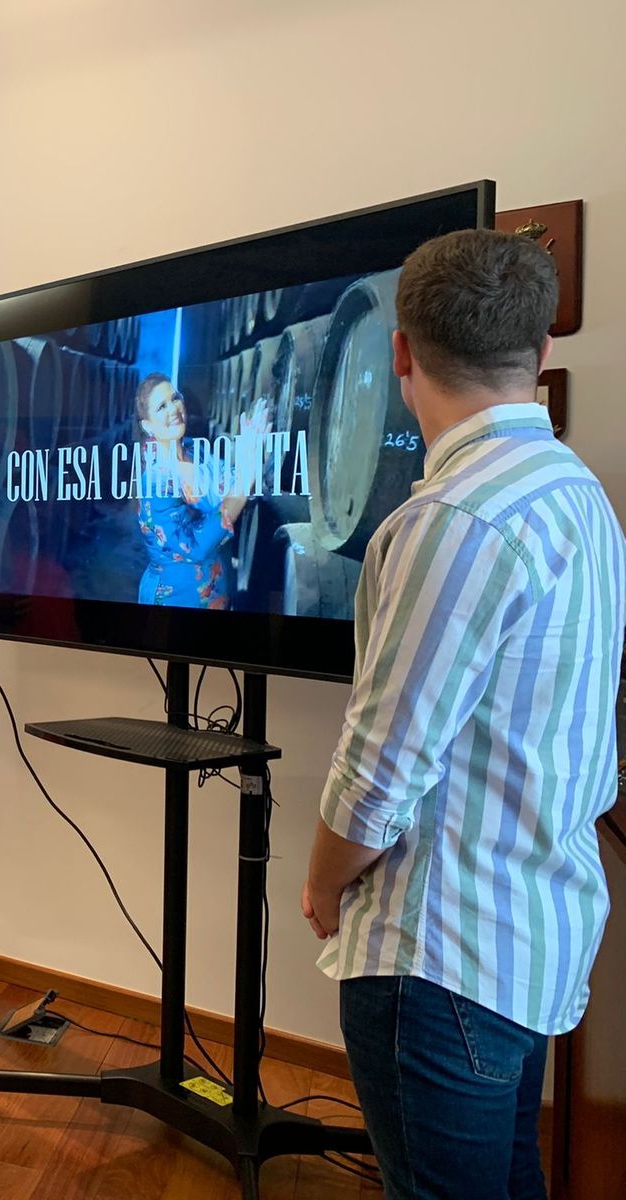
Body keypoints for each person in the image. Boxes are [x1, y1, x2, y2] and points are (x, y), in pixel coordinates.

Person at [301, 229, 624, 1199]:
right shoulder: (577, 492)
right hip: (529, 938)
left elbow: (377, 773)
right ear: (541, 348)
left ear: (399, 352)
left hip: (442, 956)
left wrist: (322, 886)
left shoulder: (451, 518)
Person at [133, 373, 269, 608]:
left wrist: (251, 453)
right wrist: (244, 481)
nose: (173, 409)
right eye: (162, 406)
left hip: (215, 586)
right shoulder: (154, 481)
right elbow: (195, 546)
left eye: (175, 398)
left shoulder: (195, 449)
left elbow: (230, 482)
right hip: (177, 597)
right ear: (148, 425)